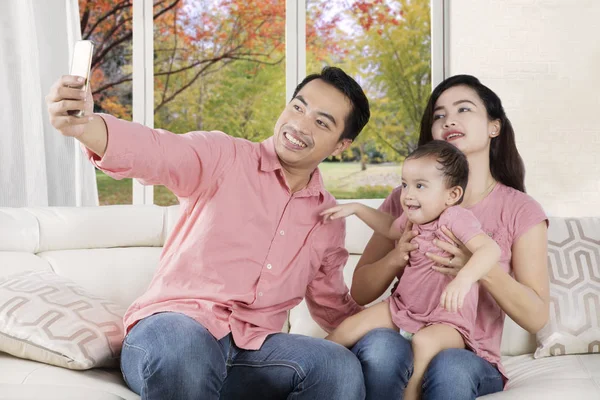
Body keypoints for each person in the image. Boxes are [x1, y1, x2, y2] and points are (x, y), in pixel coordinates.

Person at [45, 66, 370, 400]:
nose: (299, 125)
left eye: (321, 122)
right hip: (173, 331)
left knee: (338, 366)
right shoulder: (224, 156)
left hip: (254, 352)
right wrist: (86, 125)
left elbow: (332, 305)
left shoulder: (328, 218)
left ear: (341, 144)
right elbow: (155, 150)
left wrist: (401, 317)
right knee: (186, 349)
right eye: (298, 107)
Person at [350, 75, 549, 400]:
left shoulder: (520, 210)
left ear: (494, 126)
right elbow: (359, 291)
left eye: (464, 109)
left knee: (450, 366)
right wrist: (397, 255)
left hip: (469, 355)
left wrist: (477, 267)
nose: (448, 120)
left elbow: (535, 317)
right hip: (402, 335)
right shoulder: (405, 199)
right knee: (380, 348)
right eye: (439, 115)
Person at [321, 140, 501, 400]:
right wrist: (357, 209)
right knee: (348, 328)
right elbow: (389, 228)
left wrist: (463, 280)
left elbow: (490, 249)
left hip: (446, 319)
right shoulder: (413, 218)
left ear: (452, 195)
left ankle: (412, 394)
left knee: (423, 343)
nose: (407, 194)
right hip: (403, 307)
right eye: (405, 184)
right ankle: (311, 371)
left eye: (420, 186)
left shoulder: (455, 218)